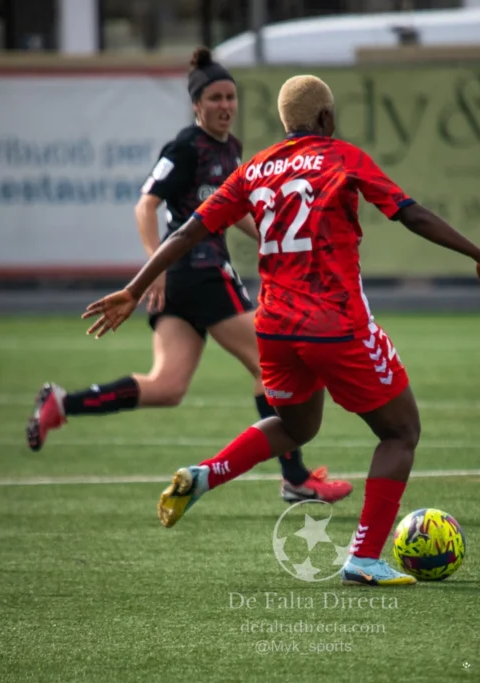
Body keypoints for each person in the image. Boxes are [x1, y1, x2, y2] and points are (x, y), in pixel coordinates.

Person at [81, 74, 480, 587]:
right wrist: (478, 254)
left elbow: (189, 230)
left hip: (276, 329)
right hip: (335, 325)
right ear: (326, 119)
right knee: (400, 432)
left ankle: (203, 476)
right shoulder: (342, 157)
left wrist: (135, 287)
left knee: (297, 426)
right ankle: (363, 558)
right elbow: (410, 214)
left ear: (286, 122)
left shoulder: (254, 168)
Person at [26, 49, 352, 506]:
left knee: (167, 387)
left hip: (187, 282)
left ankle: (62, 403)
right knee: (271, 365)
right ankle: (295, 478)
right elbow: (146, 205)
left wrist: (274, 237)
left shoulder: (231, 149)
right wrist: (151, 268)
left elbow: (233, 210)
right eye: (215, 98)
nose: (225, 105)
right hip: (198, 272)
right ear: (196, 105)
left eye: (231, 97)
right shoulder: (184, 148)